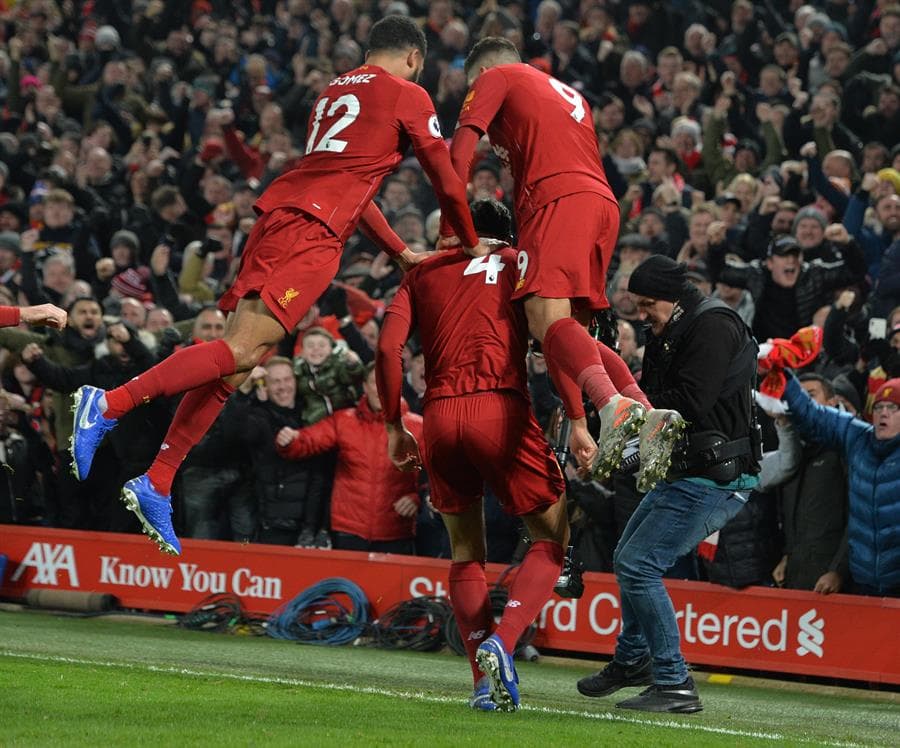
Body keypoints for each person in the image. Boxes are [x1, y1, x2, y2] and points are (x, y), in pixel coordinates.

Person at [69, 16, 485, 555]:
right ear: (413, 58)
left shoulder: (335, 90)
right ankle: (107, 405)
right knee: (240, 350)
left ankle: (159, 479)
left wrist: (402, 252)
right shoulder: (407, 93)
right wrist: (467, 238)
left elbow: (350, 185)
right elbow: (445, 173)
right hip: (310, 232)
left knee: (241, 362)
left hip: (288, 216)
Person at [447, 37, 684, 487]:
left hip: (557, 201)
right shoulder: (565, 93)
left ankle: (614, 408)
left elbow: (456, 154)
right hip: (599, 205)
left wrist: (451, 227)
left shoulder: (496, 78)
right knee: (558, 327)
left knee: (543, 319)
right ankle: (645, 412)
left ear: (480, 75)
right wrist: (575, 422)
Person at [376, 199, 568, 712]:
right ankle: (502, 643)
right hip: (499, 406)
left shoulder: (423, 272)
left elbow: (387, 349)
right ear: (505, 234)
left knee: (465, 553)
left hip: (438, 415)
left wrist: (395, 426)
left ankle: (482, 686)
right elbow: (555, 334)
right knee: (552, 537)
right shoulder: (519, 261)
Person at [577, 255, 760, 713]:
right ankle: (633, 661)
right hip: (687, 469)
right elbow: (652, 401)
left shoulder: (713, 326)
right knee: (628, 560)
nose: (642, 315)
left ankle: (675, 682)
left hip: (717, 474)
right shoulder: (670, 329)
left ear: (671, 297)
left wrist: (619, 406)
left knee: (639, 566)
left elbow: (690, 401)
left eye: (647, 305)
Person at [276, 363, 422, 554]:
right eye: (375, 383)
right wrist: (289, 441)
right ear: (364, 386)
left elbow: (437, 474)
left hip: (395, 532)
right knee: (344, 585)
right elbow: (307, 441)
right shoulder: (344, 420)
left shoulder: (419, 427)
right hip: (348, 531)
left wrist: (417, 497)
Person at [781, 375, 900, 596]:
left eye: (893, 408)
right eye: (879, 407)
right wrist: (784, 378)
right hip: (863, 582)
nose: (884, 413)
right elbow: (814, 415)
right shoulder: (859, 438)